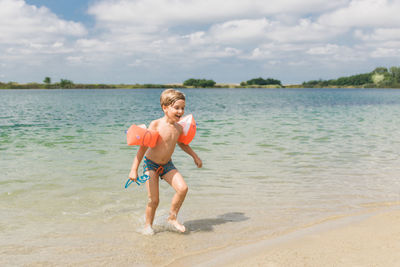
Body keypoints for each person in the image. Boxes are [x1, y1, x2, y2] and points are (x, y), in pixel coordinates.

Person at [128, 89, 202, 235]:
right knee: (154, 200)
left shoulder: (179, 128)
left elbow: (182, 144)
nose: (181, 111)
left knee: (183, 189)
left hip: (167, 165)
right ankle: (147, 226)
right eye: (177, 108)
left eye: (183, 108)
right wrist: (134, 169)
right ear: (165, 108)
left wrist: (195, 156)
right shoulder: (155, 125)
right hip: (151, 165)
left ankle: (172, 217)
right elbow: (143, 148)